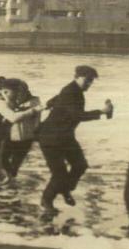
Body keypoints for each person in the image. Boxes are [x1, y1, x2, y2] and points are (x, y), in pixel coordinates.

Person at [38, 65, 114, 212]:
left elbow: (56, 99)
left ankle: (64, 189)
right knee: (59, 174)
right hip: (50, 138)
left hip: (65, 136)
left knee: (80, 165)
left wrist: (49, 104)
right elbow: (77, 115)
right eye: (87, 80)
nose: (89, 84)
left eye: (91, 81)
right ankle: (46, 200)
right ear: (76, 77)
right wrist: (102, 111)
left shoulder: (73, 90)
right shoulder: (71, 92)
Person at [1, 79, 41, 179]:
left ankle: (10, 178)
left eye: (20, 91)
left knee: (16, 162)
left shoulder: (34, 102)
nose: (18, 94)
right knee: (2, 158)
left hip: (25, 137)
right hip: (9, 135)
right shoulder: (10, 100)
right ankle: (8, 176)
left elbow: (36, 120)